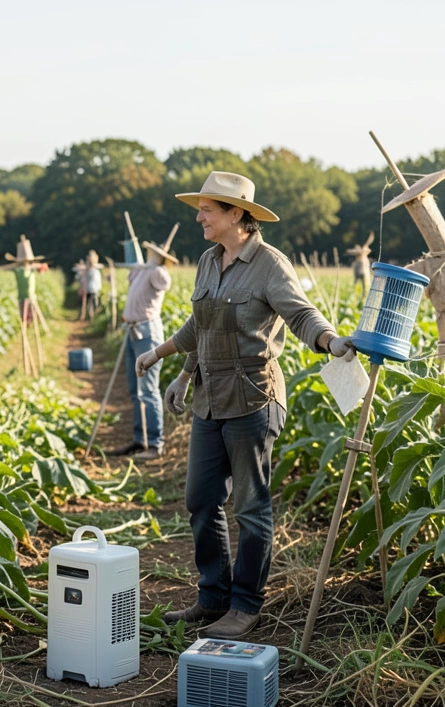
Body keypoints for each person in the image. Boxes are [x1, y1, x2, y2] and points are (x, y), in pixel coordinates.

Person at [134, 172, 353, 640]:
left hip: (254, 399)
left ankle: (246, 604)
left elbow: (300, 314)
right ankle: (212, 597)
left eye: (207, 211)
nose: (199, 218)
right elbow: (201, 326)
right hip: (209, 398)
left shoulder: (270, 265)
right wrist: (176, 368)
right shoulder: (208, 262)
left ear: (237, 214)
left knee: (251, 508)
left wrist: (330, 341)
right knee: (200, 499)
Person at [108, 239, 175, 460]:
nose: (148, 254)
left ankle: (155, 444)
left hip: (148, 334)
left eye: (152, 253)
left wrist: (156, 265)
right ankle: (140, 439)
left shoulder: (157, 272)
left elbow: (165, 282)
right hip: (132, 332)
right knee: (134, 390)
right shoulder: (140, 271)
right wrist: (141, 268)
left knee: (148, 390)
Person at [78, 250, 104, 318]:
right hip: (91, 288)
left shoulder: (93, 268)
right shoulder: (88, 268)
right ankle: (91, 316)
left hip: (93, 288)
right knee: (92, 303)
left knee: (93, 303)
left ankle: (91, 315)